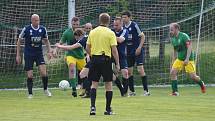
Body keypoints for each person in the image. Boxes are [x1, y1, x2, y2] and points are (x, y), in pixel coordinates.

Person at [86, 13, 120, 115]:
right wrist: (117, 64)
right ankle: (107, 109)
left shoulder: (92, 32)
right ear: (108, 21)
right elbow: (114, 50)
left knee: (94, 84)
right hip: (106, 60)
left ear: (99, 20)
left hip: (95, 59)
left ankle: (92, 108)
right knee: (108, 85)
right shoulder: (110, 33)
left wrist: (92, 56)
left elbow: (87, 47)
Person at [16, 14, 52, 99]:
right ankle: (30, 93)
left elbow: (46, 41)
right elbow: (19, 40)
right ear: (31, 20)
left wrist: (49, 51)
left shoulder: (43, 29)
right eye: (35, 20)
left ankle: (46, 89)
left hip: (39, 54)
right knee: (30, 75)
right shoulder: (26, 29)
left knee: (43, 72)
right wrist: (18, 55)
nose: (37, 22)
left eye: (38, 20)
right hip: (28, 54)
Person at [169, 23, 206, 96]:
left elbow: (189, 47)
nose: (170, 31)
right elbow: (175, 50)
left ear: (176, 29)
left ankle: (202, 84)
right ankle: (175, 92)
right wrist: (173, 61)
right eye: (170, 30)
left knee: (193, 77)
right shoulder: (172, 38)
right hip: (179, 59)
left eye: (171, 29)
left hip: (189, 59)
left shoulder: (184, 36)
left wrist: (187, 59)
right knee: (173, 72)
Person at [54, 17, 85, 97]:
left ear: (79, 24)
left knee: (85, 73)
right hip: (70, 55)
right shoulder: (67, 32)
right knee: (72, 68)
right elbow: (61, 42)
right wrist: (55, 51)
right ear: (71, 23)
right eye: (74, 24)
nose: (75, 26)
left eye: (77, 24)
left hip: (81, 56)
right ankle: (74, 89)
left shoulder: (82, 32)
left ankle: (85, 89)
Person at [121, 11, 150, 96]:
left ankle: (146, 91)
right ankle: (132, 91)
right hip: (129, 52)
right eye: (122, 17)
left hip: (137, 51)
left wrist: (139, 48)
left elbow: (143, 36)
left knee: (140, 70)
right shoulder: (123, 28)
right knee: (129, 72)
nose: (124, 19)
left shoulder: (134, 25)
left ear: (130, 17)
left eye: (125, 17)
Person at [112, 17, 129, 97]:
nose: (115, 27)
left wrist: (109, 38)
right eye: (114, 25)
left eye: (117, 25)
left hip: (121, 56)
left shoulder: (125, 31)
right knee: (111, 75)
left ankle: (125, 92)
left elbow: (120, 40)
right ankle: (122, 90)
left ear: (121, 24)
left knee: (125, 73)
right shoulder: (111, 31)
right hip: (111, 56)